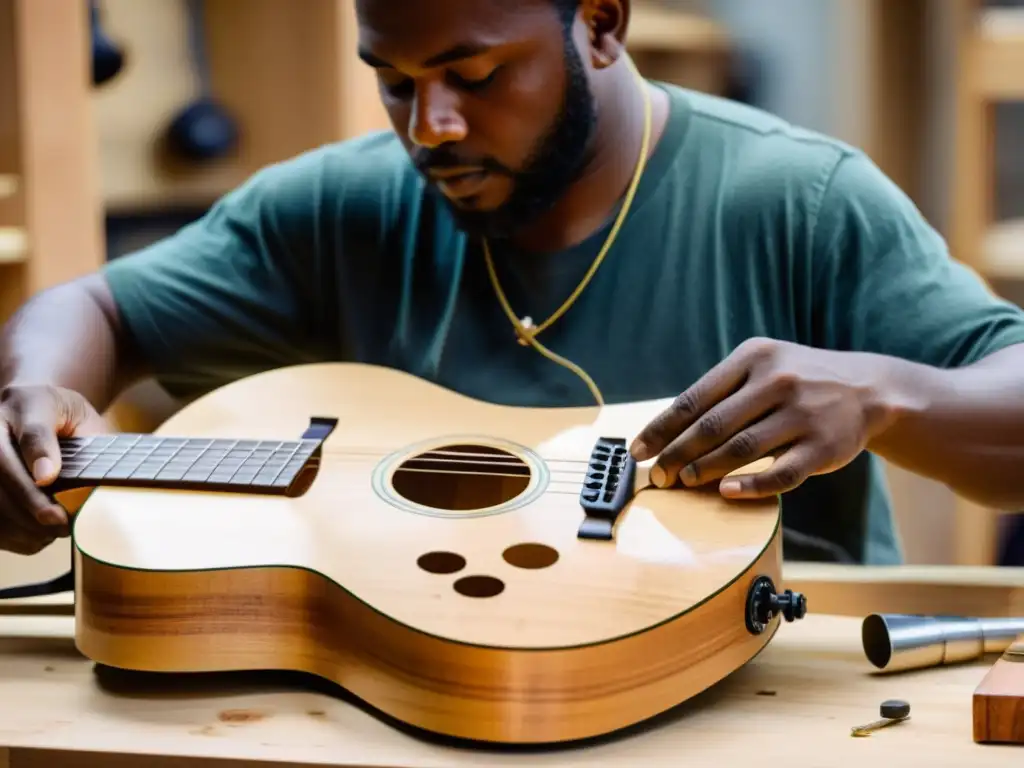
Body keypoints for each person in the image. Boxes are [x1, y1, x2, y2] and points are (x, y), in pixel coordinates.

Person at [2, 0, 1024, 567]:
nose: (430, 127)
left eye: (476, 75)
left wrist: (887, 395)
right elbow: (92, 308)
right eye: (395, 81)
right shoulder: (336, 205)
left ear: (601, 22)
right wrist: (33, 397)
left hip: (761, 694)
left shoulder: (799, 198)